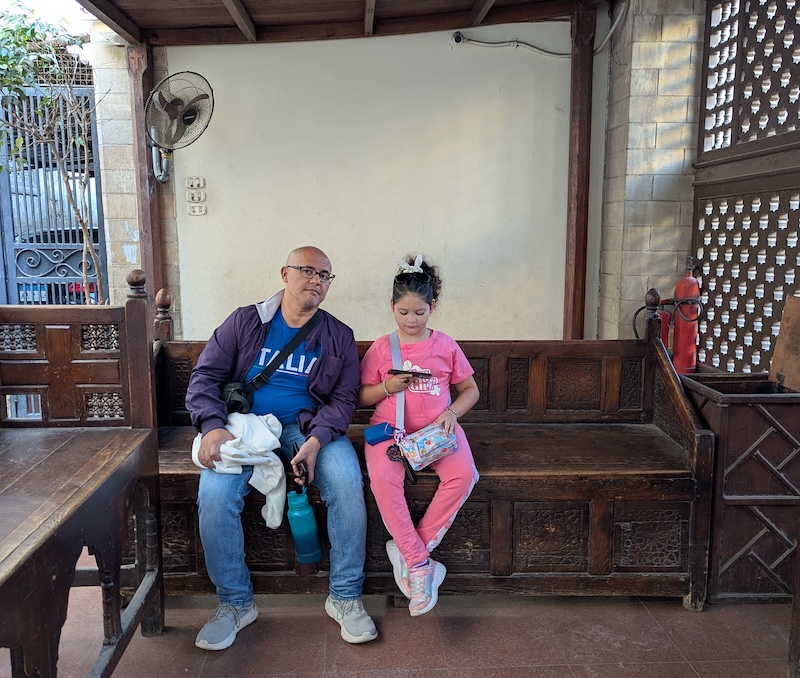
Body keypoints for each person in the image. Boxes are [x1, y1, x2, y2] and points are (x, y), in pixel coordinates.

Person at [186, 246, 377, 650]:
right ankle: (235, 604)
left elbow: (344, 400)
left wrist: (316, 440)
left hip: (306, 428)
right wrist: (213, 427)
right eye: (307, 271)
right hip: (247, 427)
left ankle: (345, 596)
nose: (316, 280)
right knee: (214, 493)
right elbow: (204, 377)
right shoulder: (246, 322)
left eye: (325, 275)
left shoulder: (337, 335)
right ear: (285, 274)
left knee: (346, 482)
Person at [358, 254, 480, 616]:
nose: (411, 320)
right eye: (403, 312)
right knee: (384, 483)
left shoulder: (445, 345)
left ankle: (412, 554)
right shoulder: (382, 348)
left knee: (464, 475)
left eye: (420, 313)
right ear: (391, 307)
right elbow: (361, 396)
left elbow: (470, 389)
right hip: (391, 435)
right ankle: (422, 564)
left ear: (433, 307)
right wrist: (386, 386)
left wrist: (451, 413)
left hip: (436, 433)